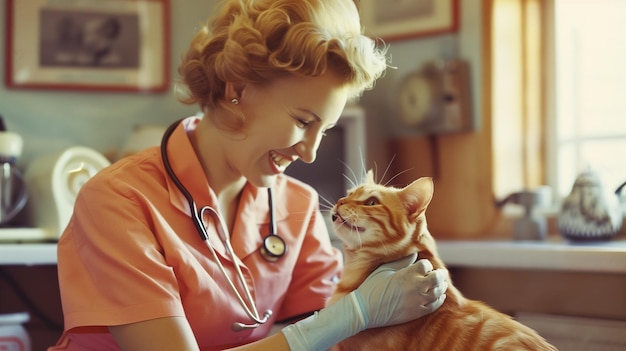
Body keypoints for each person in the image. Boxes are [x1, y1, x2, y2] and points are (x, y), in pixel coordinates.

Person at [48, 0, 448, 350]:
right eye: (302, 121)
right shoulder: (118, 200)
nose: (309, 154)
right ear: (235, 88)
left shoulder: (297, 205)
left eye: (322, 132)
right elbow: (322, 331)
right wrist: (352, 315)